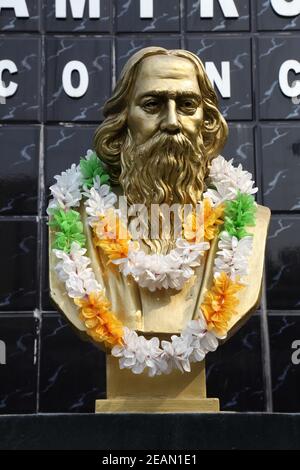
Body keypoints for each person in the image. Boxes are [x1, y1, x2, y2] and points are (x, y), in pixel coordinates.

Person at [50, 47, 270, 338]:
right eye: (152, 104)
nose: (171, 122)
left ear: (207, 120)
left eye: (187, 105)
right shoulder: (73, 220)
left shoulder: (247, 222)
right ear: (123, 117)